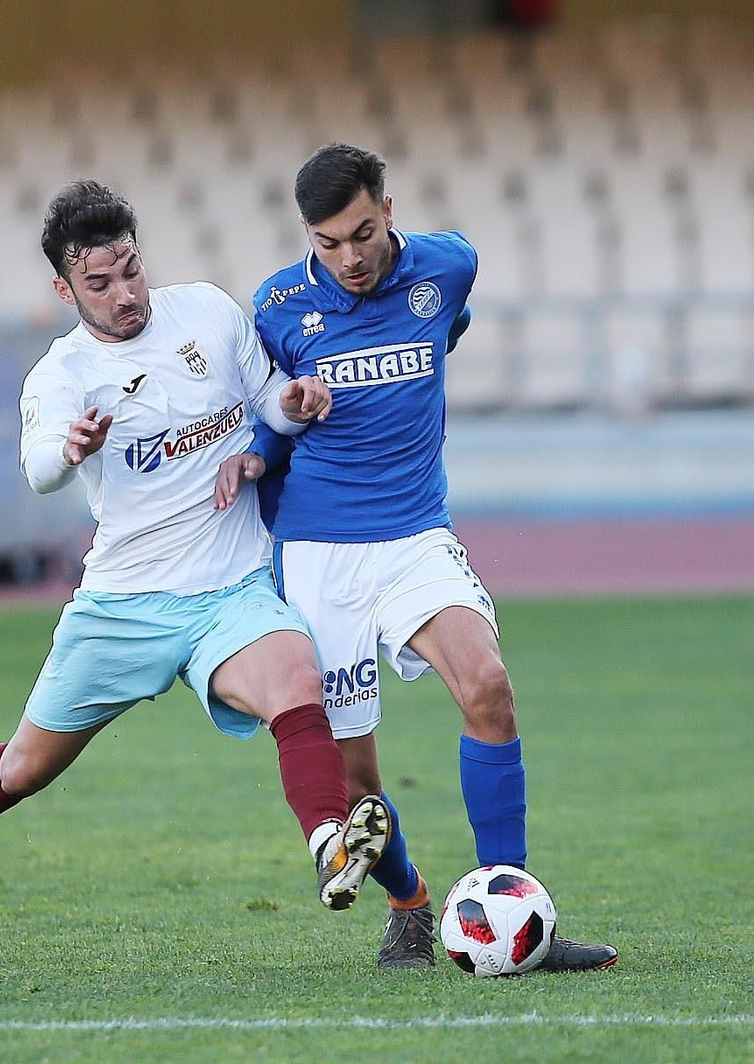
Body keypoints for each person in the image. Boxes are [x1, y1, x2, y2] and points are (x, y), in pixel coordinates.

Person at [0, 179, 391, 927]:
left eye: (131, 268)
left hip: (230, 590)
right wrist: (71, 445)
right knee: (24, 768)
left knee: (295, 679)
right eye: (100, 281)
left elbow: (268, 398)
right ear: (65, 287)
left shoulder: (207, 313)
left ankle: (328, 847)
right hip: (122, 605)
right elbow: (41, 469)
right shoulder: (62, 375)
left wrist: (296, 401)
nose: (125, 292)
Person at [222, 142, 617, 972]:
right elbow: (266, 416)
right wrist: (259, 447)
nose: (348, 257)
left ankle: (516, 911)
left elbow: (442, 332)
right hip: (318, 551)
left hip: (414, 535)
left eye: (362, 233)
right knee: (352, 773)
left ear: (388, 210)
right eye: (327, 242)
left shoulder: (450, 267)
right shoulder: (278, 305)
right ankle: (408, 905)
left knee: (489, 687)